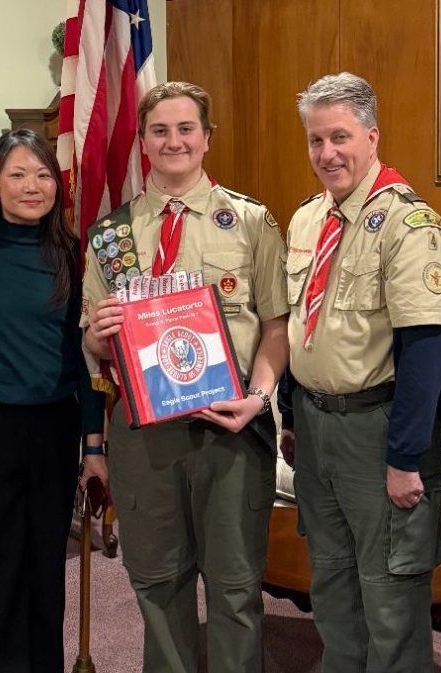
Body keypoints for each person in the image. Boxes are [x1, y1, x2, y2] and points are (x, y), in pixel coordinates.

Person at [82, 81, 288, 672]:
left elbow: (277, 326)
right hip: (143, 433)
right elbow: (92, 339)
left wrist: (259, 397)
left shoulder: (249, 222)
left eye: (185, 129)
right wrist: (96, 334)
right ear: (143, 141)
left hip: (230, 427)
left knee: (235, 585)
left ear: (206, 137)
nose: (173, 141)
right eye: (159, 130)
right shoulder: (110, 236)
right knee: (158, 581)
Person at [279, 71, 441, 673]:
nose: (327, 154)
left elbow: (425, 348)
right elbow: (299, 324)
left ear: (372, 136)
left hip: (377, 431)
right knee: (331, 582)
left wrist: (404, 457)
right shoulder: (307, 219)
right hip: (316, 425)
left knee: (389, 593)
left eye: (341, 138)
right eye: (316, 140)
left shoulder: (408, 223)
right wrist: (290, 414)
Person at [0, 129, 105, 673]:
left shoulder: (73, 254)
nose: (32, 186)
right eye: (17, 174)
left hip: (52, 432)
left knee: (41, 572)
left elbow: (87, 358)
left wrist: (94, 442)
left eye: (43, 175)